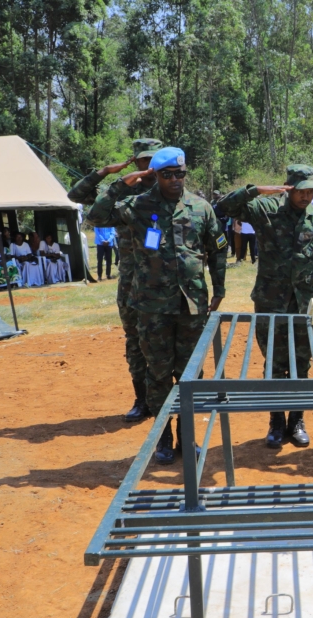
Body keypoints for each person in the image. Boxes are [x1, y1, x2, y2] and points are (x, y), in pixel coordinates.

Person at [116, 146, 227, 463]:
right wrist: (123, 182)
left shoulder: (200, 207)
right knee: (159, 374)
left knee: (190, 376)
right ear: (155, 175)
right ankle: (163, 438)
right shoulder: (138, 206)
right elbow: (96, 213)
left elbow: (217, 248)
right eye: (168, 174)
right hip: (152, 308)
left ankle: (186, 438)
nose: (176, 179)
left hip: (192, 306)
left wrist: (218, 287)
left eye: (180, 173)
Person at [218, 165, 313, 448]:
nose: (307, 196)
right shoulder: (265, 208)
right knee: (275, 364)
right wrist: (255, 190)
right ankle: (276, 421)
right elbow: (225, 207)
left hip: (305, 304)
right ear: (287, 187)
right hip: (272, 303)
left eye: (311, 190)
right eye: (301, 190)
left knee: (301, 363)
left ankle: (297, 420)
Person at [74, 138, 162, 423]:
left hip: (164, 281)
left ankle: (166, 401)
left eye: (151, 160)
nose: (146, 166)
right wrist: (106, 173)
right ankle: (141, 399)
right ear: (133, 161)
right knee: (134, 340)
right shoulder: (124, 191)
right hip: (131, 280)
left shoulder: (172, 188)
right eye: (141, 160)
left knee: (164, 342)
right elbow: (77, 196)